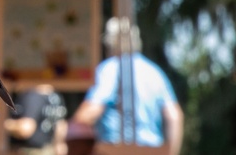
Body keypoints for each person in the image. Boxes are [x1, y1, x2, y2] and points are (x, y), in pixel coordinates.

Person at [72, 17, 183, 155]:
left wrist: (69, 132)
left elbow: (91, 110)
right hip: (153, 150)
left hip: (115, 149)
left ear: (110, 43)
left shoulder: (110, 68)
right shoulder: (155, 72)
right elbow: (174, 116)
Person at [4, 84, 68, 155]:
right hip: (47, 149)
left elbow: (25, 128)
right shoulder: (56, 97)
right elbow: (61, 126)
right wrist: (59, 144)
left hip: (29, 150)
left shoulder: (33, 96)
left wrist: (4, 125)